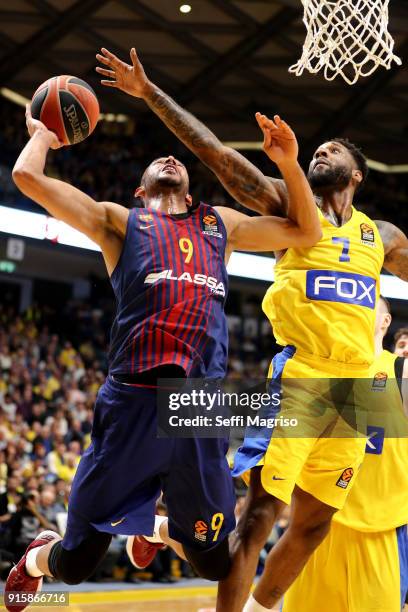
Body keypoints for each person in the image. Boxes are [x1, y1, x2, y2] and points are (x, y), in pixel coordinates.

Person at [94, 47, 408, 612]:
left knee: (313, 525)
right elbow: (216, 155)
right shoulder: (291, 206)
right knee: (262, 513)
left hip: (361, 389)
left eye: (333, 149)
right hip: (304, 377)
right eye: (318, 148)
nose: (322, 150)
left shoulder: (382, 236)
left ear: (357, 174)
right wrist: (149, 93)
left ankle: (262, 606)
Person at [4, 96, 320, 611]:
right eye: (159, 160)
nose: (171, 159)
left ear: (191, 185)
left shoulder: (221, 225)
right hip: (133, 400)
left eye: (178, 160)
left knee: (217, 562)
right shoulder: (119, 223)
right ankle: (36, 559)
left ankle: (153, 528)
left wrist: (287, 163)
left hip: (200, 405)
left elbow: (306, 232)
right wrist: (44, 133)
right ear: (140, 187)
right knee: (77, 564)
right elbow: (27, 178)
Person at [283, 296, 408, 612]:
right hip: (313, 526)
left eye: (367, 306)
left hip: (379, 531)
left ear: (384, 321)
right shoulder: (313, 371)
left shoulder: (400, 369)